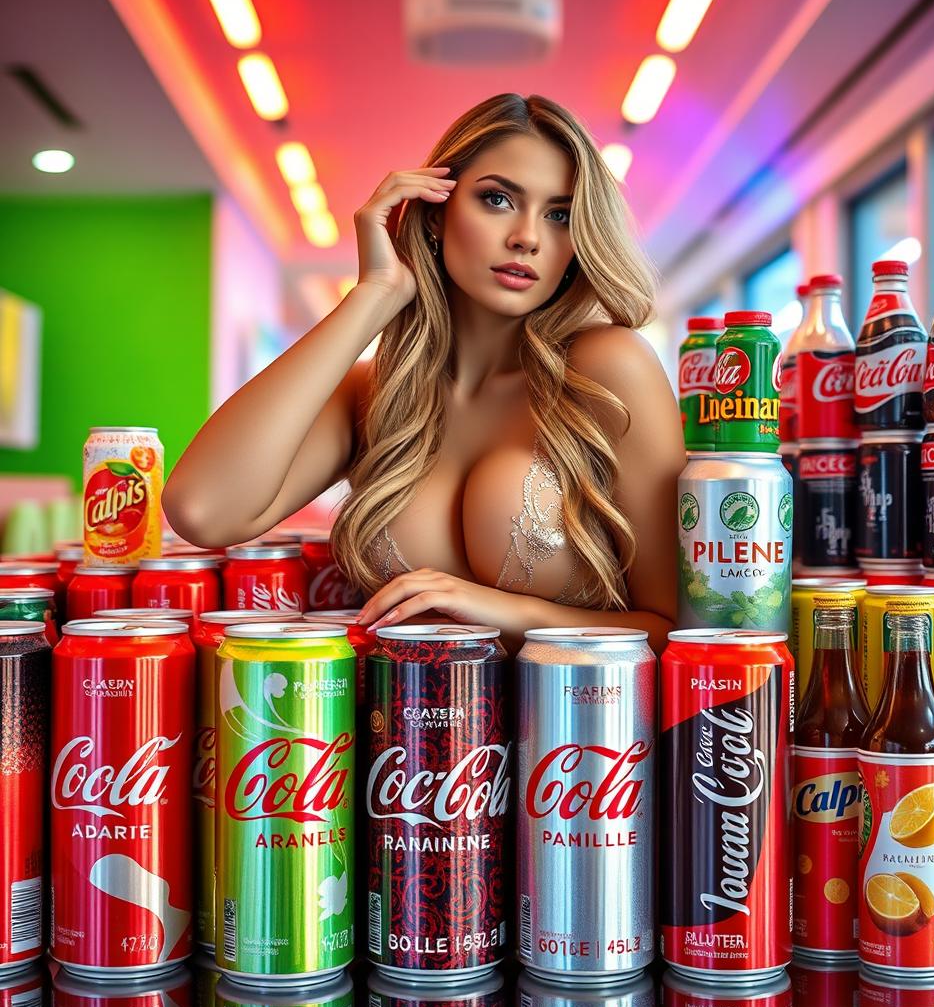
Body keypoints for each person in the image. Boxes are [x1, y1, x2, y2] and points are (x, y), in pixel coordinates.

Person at [164, 93, 684, 652]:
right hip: (404, 732)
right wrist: (372, 297)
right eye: (497, 200)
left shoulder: (606, 369)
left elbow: (679, 631)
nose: (528, 237)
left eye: (559, 215)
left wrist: (496, 610)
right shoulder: (375, 394)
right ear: (437, 213)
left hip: (582, 735)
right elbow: (203, 512)